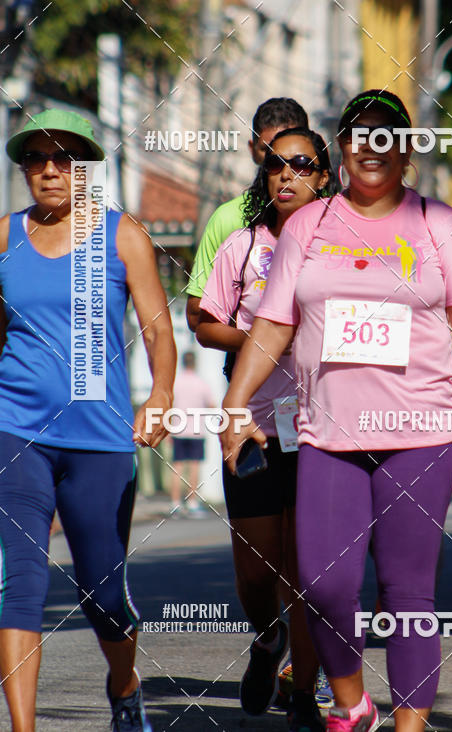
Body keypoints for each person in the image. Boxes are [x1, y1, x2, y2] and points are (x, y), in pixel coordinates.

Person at [220, 89, 452, 732]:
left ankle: (409, 725)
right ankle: (353, 703)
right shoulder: (308, 226)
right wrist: (234, 403)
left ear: (407, 151)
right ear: (344, 148)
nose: (372, 147)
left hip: (420, 433)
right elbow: (272, 324)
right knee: (325, 587)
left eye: (387, 136)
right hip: (329, 434)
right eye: (360, 134)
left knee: (408, 595)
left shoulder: (442, 225)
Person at [0, 109, 176, 732]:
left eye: (64, 159)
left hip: (99, 439)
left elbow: (157, 329)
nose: (49, 170)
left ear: (85, 170)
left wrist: (160, 394)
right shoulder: (3, 237)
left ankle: (125, 686)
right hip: (17, 430)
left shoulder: (120, 234)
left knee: (102, 594)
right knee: (18, 583)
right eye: (35, 160)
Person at [196, 127, 334, 732]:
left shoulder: (344, 247)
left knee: (306, 571)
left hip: (321, 430)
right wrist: (265, 341)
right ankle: (266, 636)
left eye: (301, 165)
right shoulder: (245, 248)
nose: (286, 175)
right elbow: (204, 322)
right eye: (276, 165)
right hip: (252, 428)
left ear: (323, 176)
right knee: (256, 573)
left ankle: (304, 695)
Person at [185, 97, 309, 333]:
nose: (279, 161)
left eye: (292, 153)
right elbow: (196, 314)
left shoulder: (332, 215)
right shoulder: (228, 218)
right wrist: (260, 336)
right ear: (253, 151)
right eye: (268, 150)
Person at [170, 351, 216, 518]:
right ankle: (192, 502)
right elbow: (211, 405)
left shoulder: (176, 382)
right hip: (196, 429)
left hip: (177, 428)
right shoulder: (201, 383)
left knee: (177, 467)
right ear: (195, 363)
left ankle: (175, 503)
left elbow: (169, 404)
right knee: (194, 467)